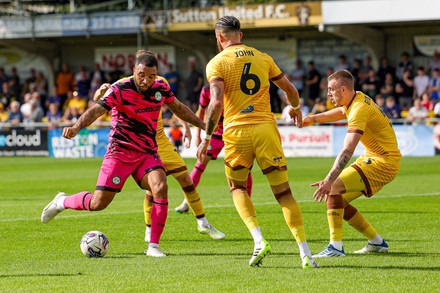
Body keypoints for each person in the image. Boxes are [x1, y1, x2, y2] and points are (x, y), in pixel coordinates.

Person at [41, 50, 206, 258]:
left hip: (146, 152)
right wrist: (76, 127)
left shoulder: (161, 88)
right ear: (134, 71)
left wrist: (203, 125)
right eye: (141, 75)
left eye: (151, 76)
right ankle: (61, 202)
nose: (146, 81)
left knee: (160, 185)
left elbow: (180, 108)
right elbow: (96, 110)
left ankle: (153, 246)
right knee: (98, 203)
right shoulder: (120, 88)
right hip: (119, 152)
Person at [197, 15, 319, 269]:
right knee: (284, 193)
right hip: (265, 128)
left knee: (237, 188)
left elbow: (216, 102)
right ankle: (305, 253)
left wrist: (207, 138)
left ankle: (259, 240)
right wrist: (296, 108)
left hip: (236, 132)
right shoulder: (263, 57)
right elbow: (291, 90)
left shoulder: (216, 63)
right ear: (240, 35)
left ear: (220, 37)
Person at [92, 82, 226, 245]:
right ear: (136, 68)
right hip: (143, 144)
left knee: (186, 179)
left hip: (162, 142)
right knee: (152, 189)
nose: (147, 78)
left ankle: (203, 223)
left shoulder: (160, 83)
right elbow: (98, 101)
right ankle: (149, 230)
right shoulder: (122, 84)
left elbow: (175, 107)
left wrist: (186, 126)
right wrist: (100, 92)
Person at [300, 69, 401, 257]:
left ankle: (335, 247)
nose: (328, 93)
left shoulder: (358, 109)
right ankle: (377, 242)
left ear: (344, 90)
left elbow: (347, 150)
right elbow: (340, 111)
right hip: (377, 158)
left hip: (383, 161)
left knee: (334, 188)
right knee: (339, 200)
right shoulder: (356, 99)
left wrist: (329, 180)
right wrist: (312, 119)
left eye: (331, 89)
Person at [174, 84, 253, 213]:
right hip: (215, 133)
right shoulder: (206, 90)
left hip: (234, 132)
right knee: (199, 165)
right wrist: (198, 134)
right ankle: (186, 202)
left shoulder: (233, 87)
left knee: (243, 168)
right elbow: (201, 111)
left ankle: (246, 203)